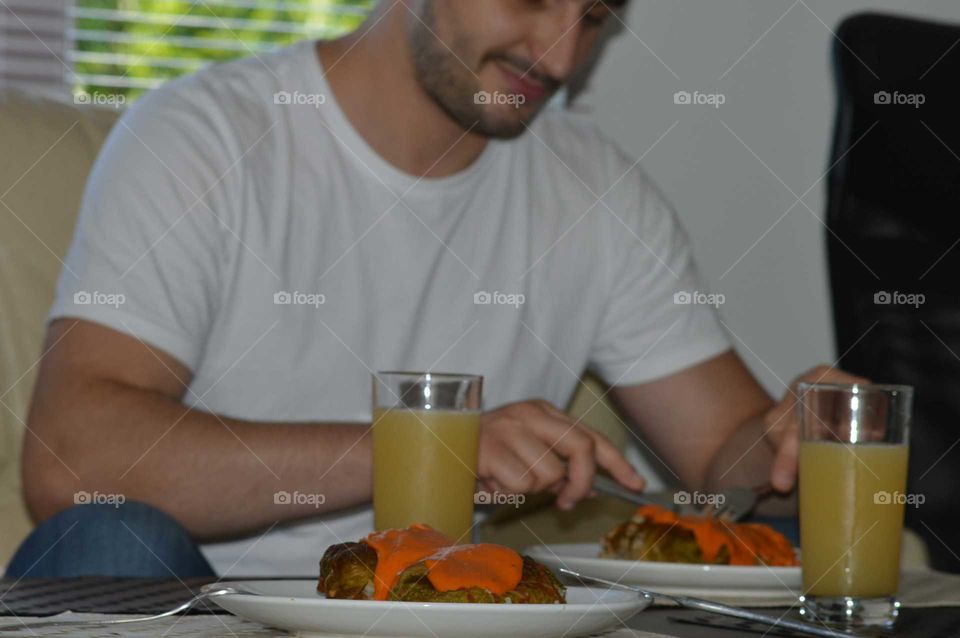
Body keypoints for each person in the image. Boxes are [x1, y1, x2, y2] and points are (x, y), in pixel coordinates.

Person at [9, 0, 860, 578]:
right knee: (108, 539)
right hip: (199, 605)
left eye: (594, 16)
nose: (559, 55)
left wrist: (798, 438)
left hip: (440, 608)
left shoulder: (592, 190)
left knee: (780, 535)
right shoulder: (201, 135)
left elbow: (727, 462)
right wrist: (426, 445)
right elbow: (74, 461)